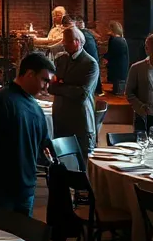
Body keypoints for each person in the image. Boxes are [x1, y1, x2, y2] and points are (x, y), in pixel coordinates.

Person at [0, 52, 56, 224]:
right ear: (29, 74)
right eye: (44, 80)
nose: (46, 87)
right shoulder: (1, 102)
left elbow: (43, 146)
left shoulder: (34, 107)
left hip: (24, 187)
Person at [50, 27, 98, 155]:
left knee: (82, 162)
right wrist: (67, 88)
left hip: (79, 120)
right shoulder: (61, 60)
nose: (63, 44)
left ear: (77, 42)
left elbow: (82, 94)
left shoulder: (90, 64)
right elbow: (51, 87)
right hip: (60, 117)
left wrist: (60, 86)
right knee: (61, 160)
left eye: (66, 41)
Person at [73, 16, 102, 93]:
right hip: (94, 55)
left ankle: (95, 90)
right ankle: (98, 90)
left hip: (89, 56)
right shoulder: (88, 32)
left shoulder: (81, 33)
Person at [102, 21, 129, 96]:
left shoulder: (117, 40)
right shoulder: (117, 39)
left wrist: (107, 58)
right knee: (116, 78)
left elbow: (113, 52)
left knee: (118, 78)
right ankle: (116, 89)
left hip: (119, 63)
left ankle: (118, 91)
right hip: (118, 62)